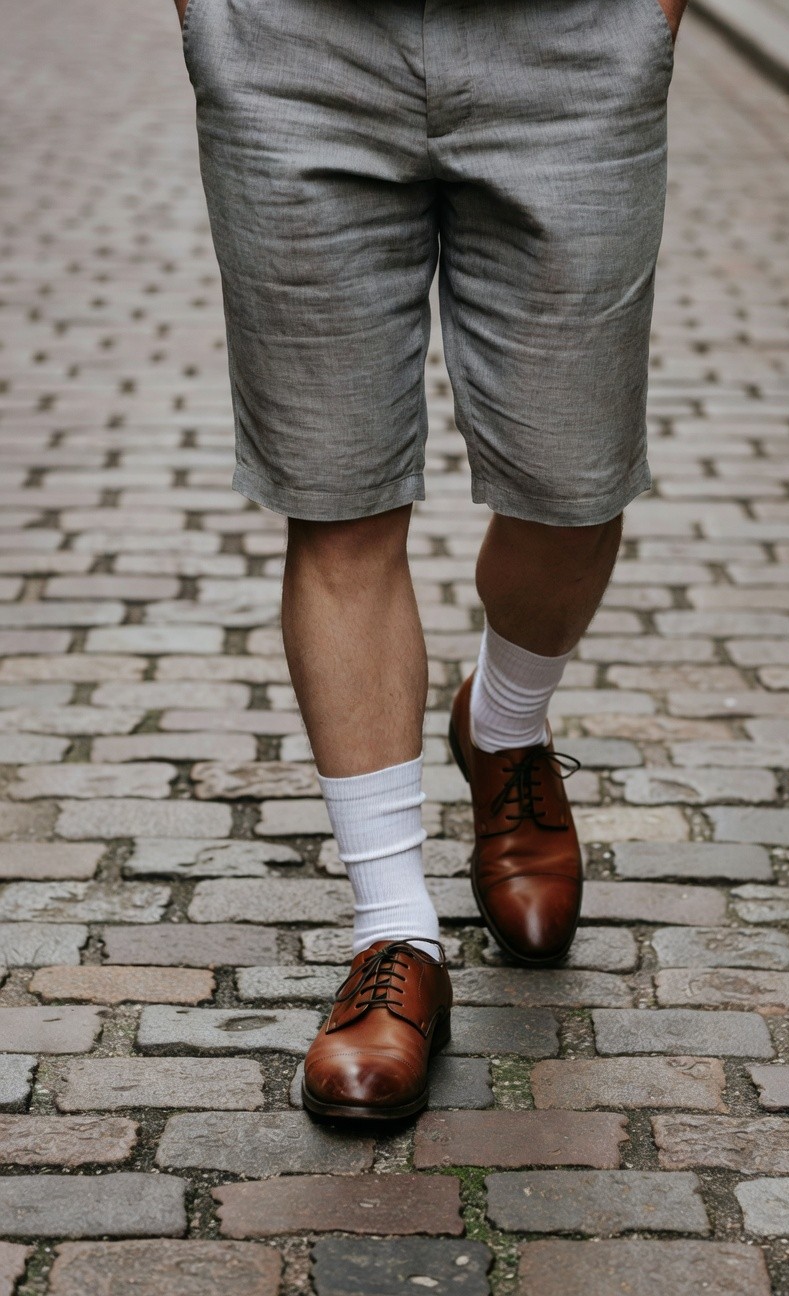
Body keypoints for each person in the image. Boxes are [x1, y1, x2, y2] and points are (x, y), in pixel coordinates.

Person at [175, 0, 687, 1121]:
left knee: (573, 481)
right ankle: (395, 932)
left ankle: (503, 722)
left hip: (572, 44)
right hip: (294, 48)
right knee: (336, 496)